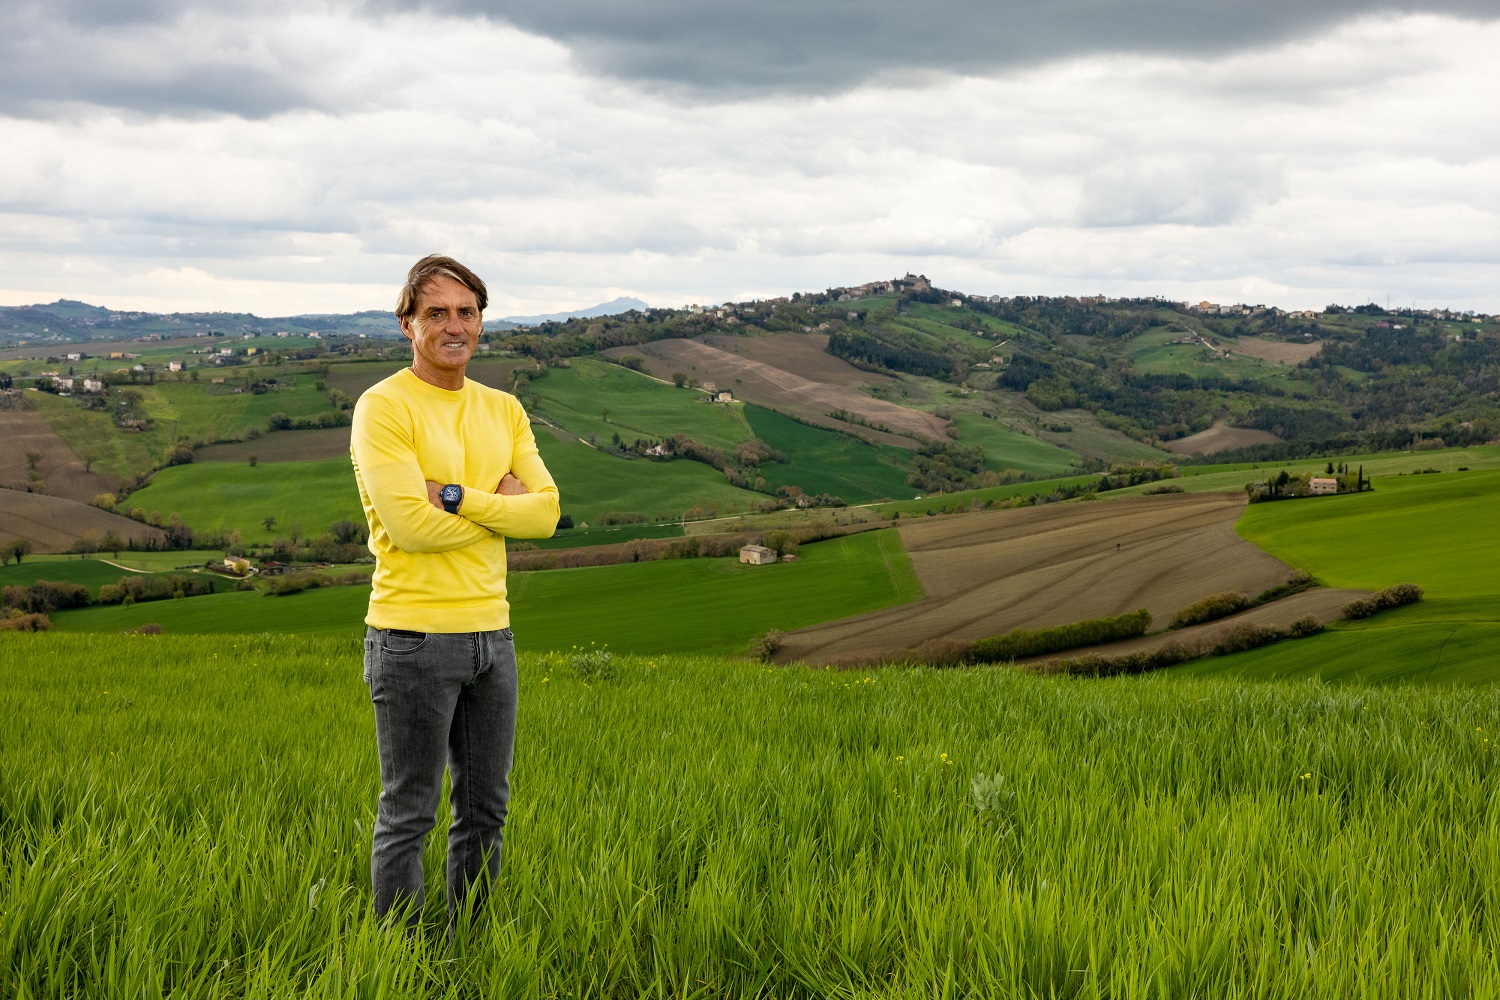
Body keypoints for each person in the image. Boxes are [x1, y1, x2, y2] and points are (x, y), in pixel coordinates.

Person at [350, 254, 560, 925]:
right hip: (411, 639)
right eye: (436, 312)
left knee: (486, 811)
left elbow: (548, 515)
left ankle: (471, 945)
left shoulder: (504, 409)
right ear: (407, 323)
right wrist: (499, 511)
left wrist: (454, 498)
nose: (453, 325)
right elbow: (410, 528)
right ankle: (401, 962)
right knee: (409, 814)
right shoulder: (383, 407)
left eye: (466, 312)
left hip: (491, 639)